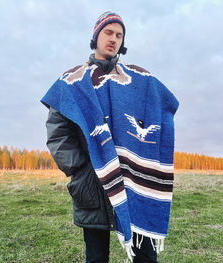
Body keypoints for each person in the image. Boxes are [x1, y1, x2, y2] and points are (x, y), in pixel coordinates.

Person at [41, 11, 179, 263]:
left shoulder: (137, 81)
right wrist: (82, 167)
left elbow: (162, 107)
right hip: (91, 183)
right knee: (96, 258)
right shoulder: (73, 82)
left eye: (119, 35)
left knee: (146, 256)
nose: (113, 39)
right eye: (108, 32)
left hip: (134, 181)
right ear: (96, 36)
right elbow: (57, 133)